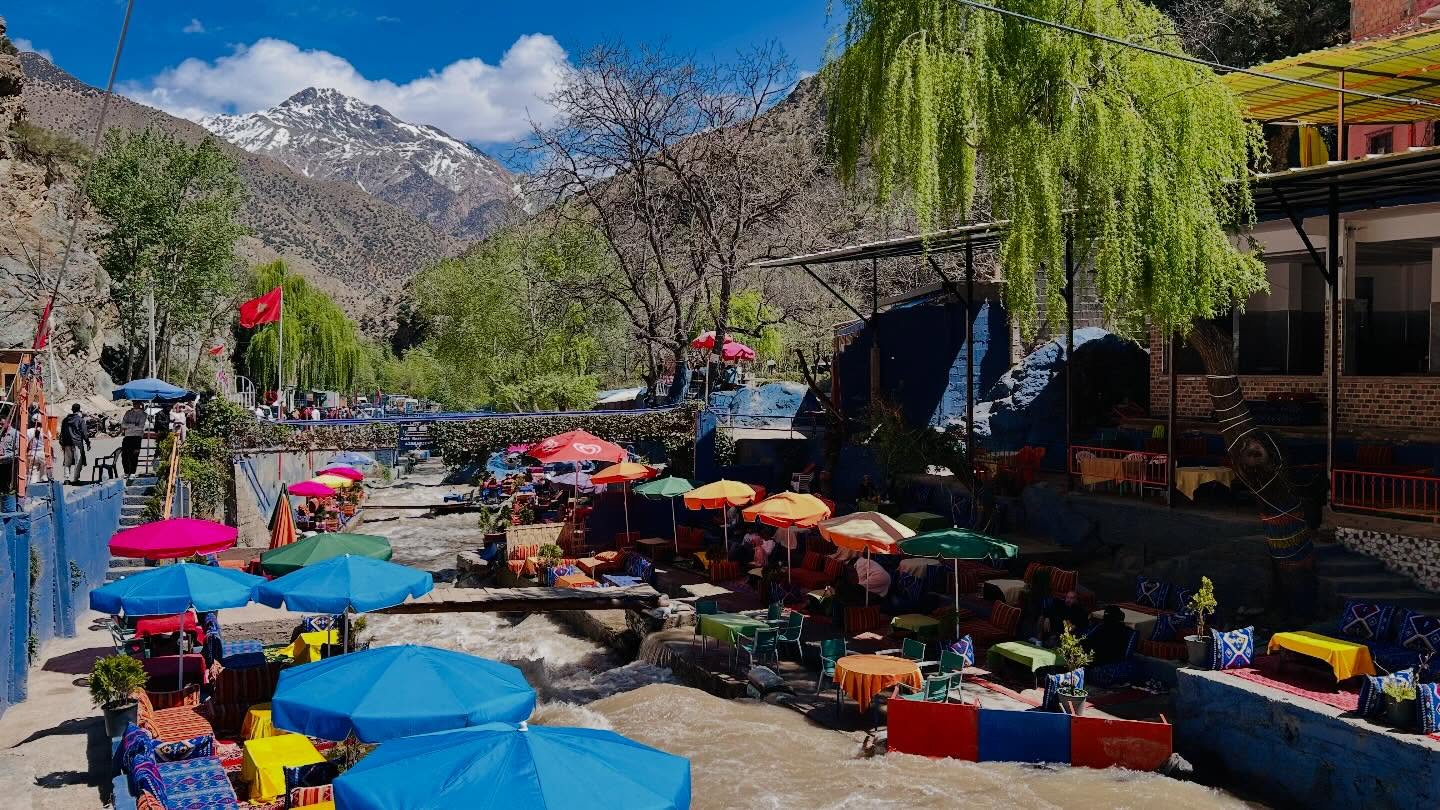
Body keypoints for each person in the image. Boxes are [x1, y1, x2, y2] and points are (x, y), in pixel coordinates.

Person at [60, 403, 90, 484]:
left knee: (67, 461)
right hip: (77, 442)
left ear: (72, 410)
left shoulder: (65, 420)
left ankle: (66, 478)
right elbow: (84, 433)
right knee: (78, 461)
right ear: (79, 410)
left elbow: (62, 432)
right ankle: (75, 479)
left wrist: (62, 443)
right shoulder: (80, 420)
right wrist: (88, 442)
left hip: (67, 443)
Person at [121, 401, 147, 477]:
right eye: (134, 403)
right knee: (125, 455)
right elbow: (123, 424)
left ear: (140, 404)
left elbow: (140, 427)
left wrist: (128, 425)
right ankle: (126, 472)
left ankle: (132, 472)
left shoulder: (143, 414)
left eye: (137, 403)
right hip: (127, 436)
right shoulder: (128, 413)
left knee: (134, 455)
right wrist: (134, 425)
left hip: (137, 437)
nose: (135, 404)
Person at [0, 420, 18, 510]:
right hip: (1, 462)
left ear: (9, 422)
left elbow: (17, 451)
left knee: (7, 485)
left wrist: (5, 456)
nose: (0, 426)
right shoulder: (2, 433)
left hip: (9, 462)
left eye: (2, 424)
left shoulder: (15, 434)